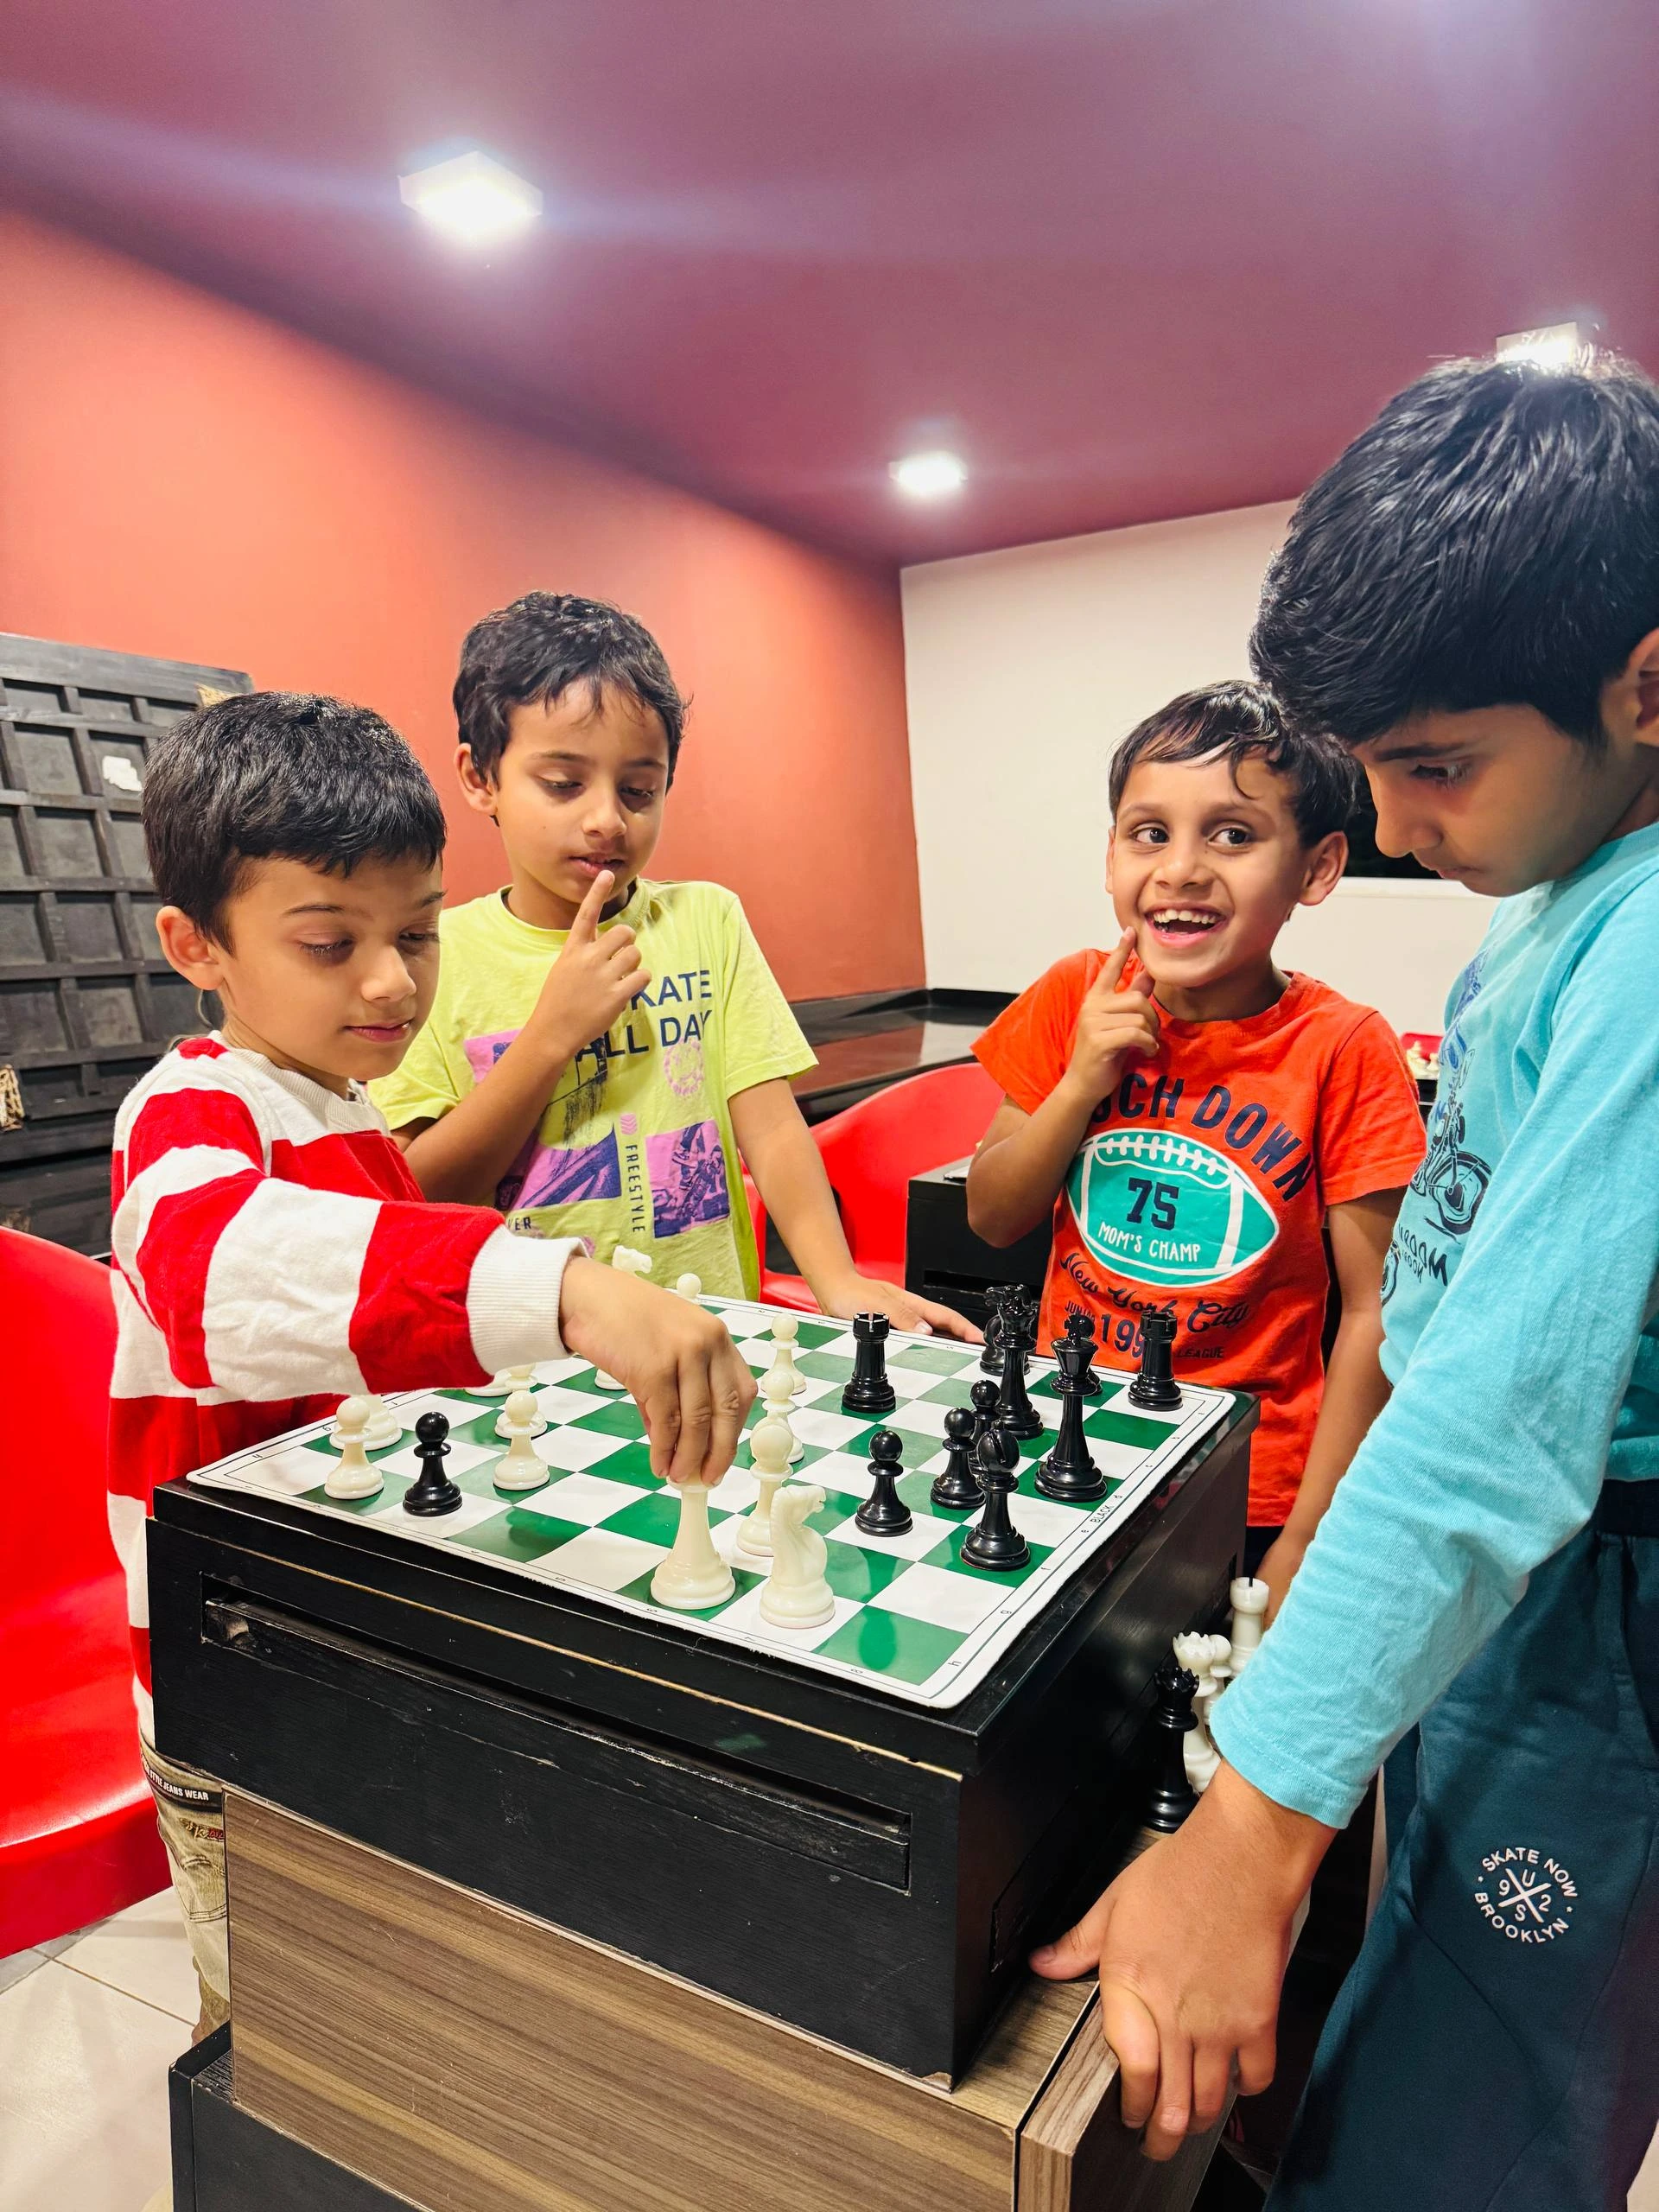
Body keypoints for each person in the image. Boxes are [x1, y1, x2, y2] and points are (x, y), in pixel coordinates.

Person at [1032, 357, 1659, 2210]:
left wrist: (1254, 1825)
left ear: (1644, 686)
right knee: (1427, 1994)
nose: (1387, 822)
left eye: (1436, 763)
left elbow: (1492, 1414)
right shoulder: (1566, 903)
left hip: (1604, 1578)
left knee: (1470, 2118)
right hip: (1531, 1575)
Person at [112, 691, 754, 2042]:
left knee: (384, 1985)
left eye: (413, 933)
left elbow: (388, 1319)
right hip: (226, 1653)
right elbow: (216, 1272)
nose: (394, 982)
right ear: (196, 946)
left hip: (327, 1604)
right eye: (331, 944)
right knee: (275, 2019)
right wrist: (569, 1290)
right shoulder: (189, 1107)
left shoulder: (339, 1108)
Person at [372, 592, 974, 1339]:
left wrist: (838, 1280)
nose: (605, 819)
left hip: (709, 1328)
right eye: (562, 784)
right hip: (529, 1353)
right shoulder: (432, 954)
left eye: (638, 790)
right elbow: (422, 1192)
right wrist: (551, 1036)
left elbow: (774, 1128)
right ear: (479, 777)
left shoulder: (704, 922)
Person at [967, 683, 1424, 1589]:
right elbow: (992, 1215)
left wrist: (1311, 1532)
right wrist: (1080, 1084)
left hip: (1249, 1479)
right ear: (1110, 860)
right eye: (1150, 832)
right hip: (1074, 1436)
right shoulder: (1072, 995)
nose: (1179, 868)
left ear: (1318, 869)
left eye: (1233, 834)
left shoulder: (1344, 1046)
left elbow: (1377, 1310)